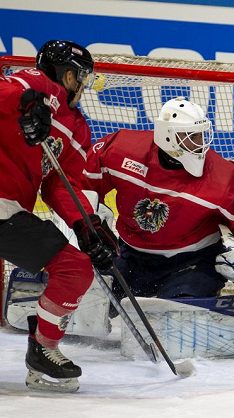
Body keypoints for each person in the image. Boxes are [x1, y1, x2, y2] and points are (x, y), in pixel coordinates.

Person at [0, 40, 117, 392]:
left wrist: (85, 223)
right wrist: (21, 103)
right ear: (68, 74)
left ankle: (44, 348)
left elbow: (60, 185)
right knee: (73, 269)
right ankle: (44, 346)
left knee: (75, 267)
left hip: (8, 213)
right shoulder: (29, 83)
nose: (84, 86)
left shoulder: (77, 128)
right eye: (82, 77)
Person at [82, 97, 234, 306]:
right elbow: (82, 184)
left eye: (200, 136)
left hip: (192, 264)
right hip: (130, 256)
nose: (199, 144)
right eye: (191, 137)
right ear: (168, 137)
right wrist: (89, 229)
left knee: (176, 318)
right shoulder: (121, 150)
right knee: (91, 302)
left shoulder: (222, 177)